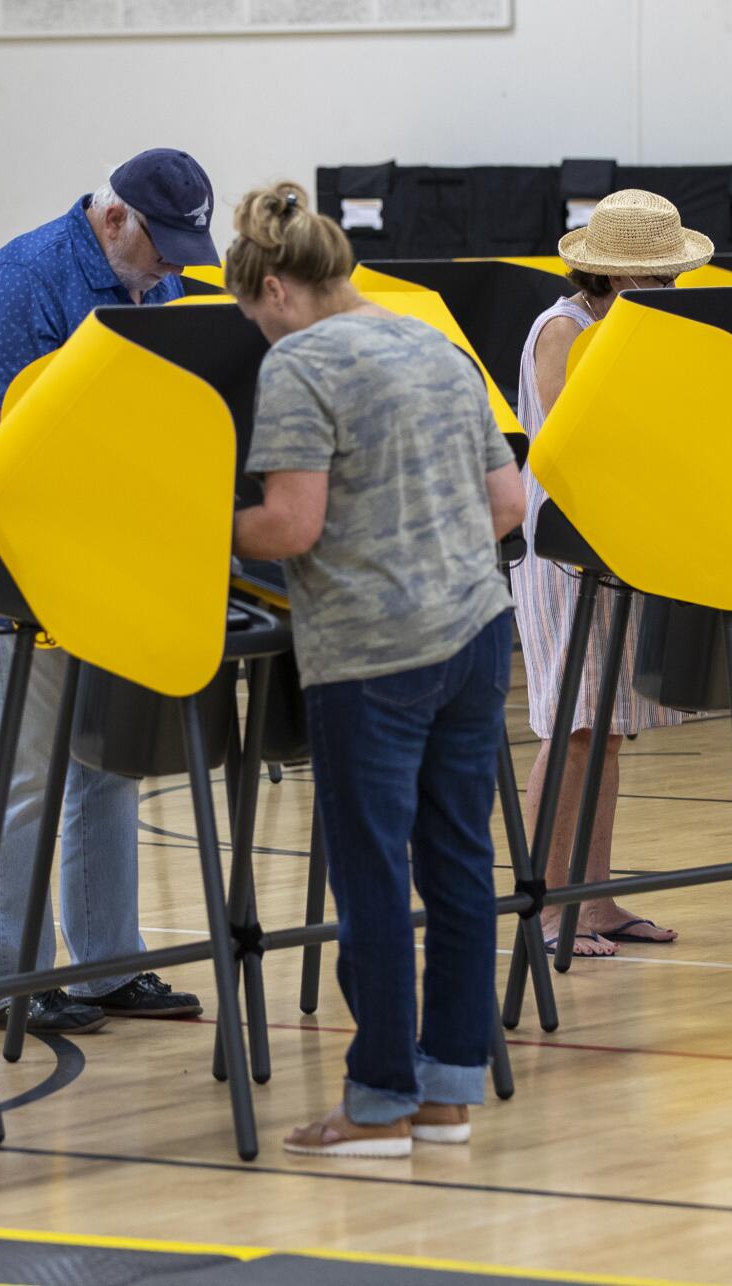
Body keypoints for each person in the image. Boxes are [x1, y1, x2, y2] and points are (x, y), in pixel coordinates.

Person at [229, 182, 525, 1158]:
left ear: (274, 287)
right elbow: (506, 499)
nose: (260, 337)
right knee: (455, 868)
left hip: (371, 649)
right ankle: (445, 1092)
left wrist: (182, 523)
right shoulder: (433, 345)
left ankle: (376, 1100)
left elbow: (291, 525)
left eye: (252, 319)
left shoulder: (302, 361)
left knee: (368, 873)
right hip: (475, 630)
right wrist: (424, 547)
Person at [0, 150, 220, 1034]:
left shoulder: (157, 286)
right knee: (22, 776)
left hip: (115, 549)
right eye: (161, 247)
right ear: (112, 221)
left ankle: (108, 964)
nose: (171, 269)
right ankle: (10, 979)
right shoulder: (24, 277)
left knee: (109, 766)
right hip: (18, 556)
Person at [510, 190, 713, 956]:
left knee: (606, 731)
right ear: (606, 274)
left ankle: (592, 900)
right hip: (565, 543)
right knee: (571, 731)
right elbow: (571, 432)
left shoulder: (637, 324)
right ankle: (546, 907)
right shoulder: (565, 327)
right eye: (652, 279)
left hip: (618, 537)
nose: (665, 291)